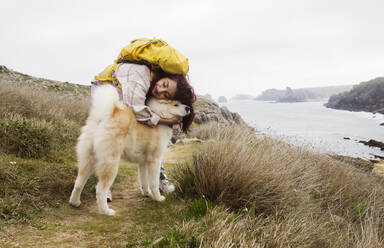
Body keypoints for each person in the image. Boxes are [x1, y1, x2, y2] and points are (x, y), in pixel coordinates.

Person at [91, 62, 196, 194]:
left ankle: (159, 176)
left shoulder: (154, 82)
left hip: (124, 91)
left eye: (166, 95)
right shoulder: (140, 75)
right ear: (165, 76)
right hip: (104, 87)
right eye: (164, 85)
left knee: (153, 143)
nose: (160, 91)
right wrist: (167, 120)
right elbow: (137, 110)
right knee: (109, 134)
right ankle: (104, 185)